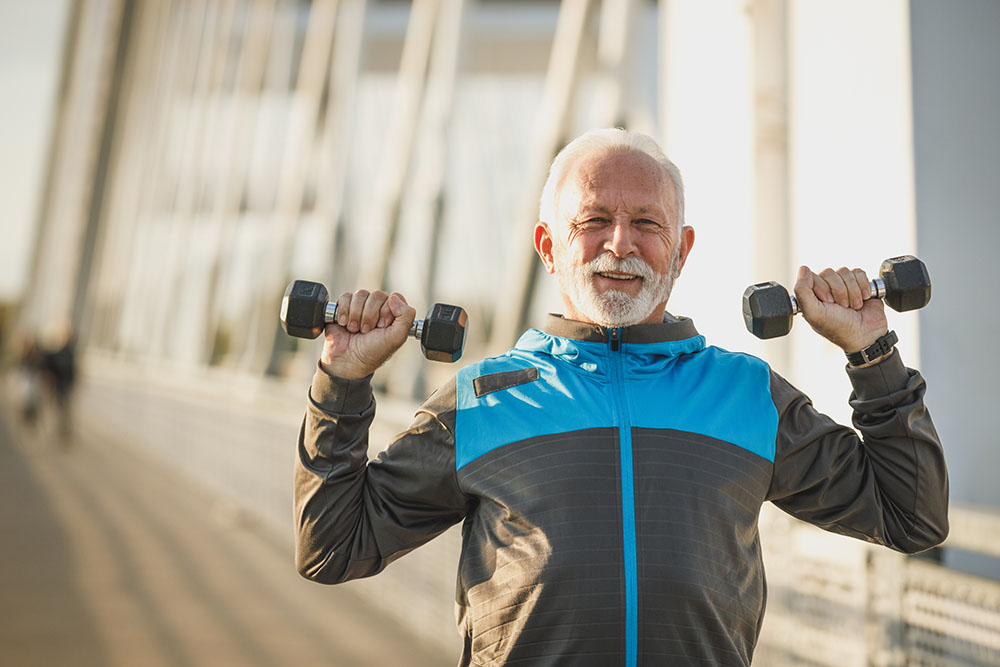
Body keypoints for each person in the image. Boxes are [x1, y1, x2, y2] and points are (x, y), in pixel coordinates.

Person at [294, 128, 948, 666]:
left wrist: (871, 353)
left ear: (680, 251)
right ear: (549, 247)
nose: (619, 243)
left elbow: (909, 514)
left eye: (645, 222)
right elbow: (331, 545)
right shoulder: (482, 399)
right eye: (594, 220)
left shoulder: (748, 395)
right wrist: (342, 381)